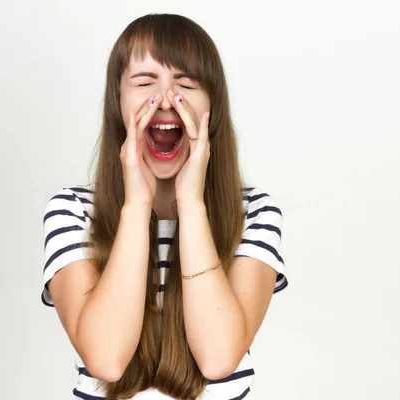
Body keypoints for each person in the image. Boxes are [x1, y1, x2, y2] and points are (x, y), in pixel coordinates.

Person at [41, 13, 288, 400]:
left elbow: (219, 358)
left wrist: (191, 204)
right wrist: (136, 204)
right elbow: (105, 359)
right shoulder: (72, 211)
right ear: (117, 102)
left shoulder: (254, 213)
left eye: (186, 83)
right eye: (144, 82)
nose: (168, 98)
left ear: (213, 107)